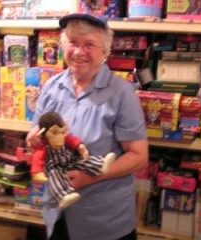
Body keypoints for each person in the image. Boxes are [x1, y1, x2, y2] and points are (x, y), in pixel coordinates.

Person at [26, 13, 148, 240]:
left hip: (104, 222)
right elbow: (39, 139)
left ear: (105, 51)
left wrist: (91, 177)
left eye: (89, 44)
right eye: (73, 42)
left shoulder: (122, 93)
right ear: (63, 46)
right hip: (57, 214)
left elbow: (139, 156)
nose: (79, 51)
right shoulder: (52, 87)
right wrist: (33, 139)